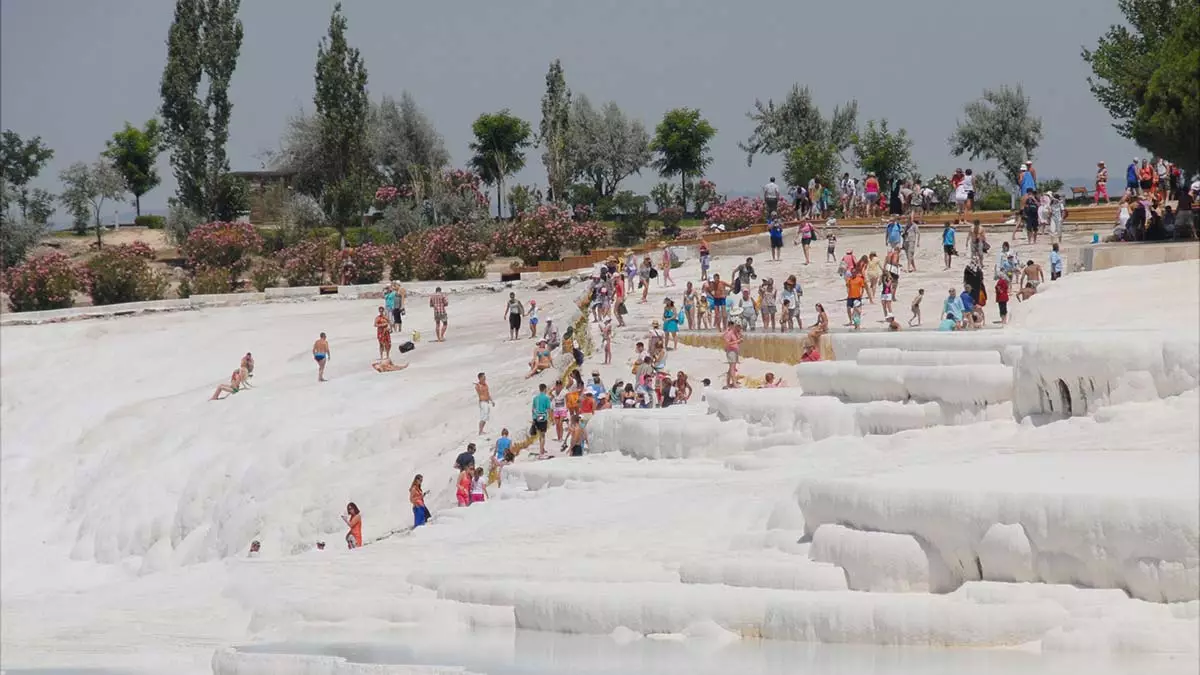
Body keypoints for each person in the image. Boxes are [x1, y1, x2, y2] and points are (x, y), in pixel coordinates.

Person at [531, 383, 552, 456]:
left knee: (540, 434)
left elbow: (533, 409)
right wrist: (551, 418)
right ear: (545, 389)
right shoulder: (546, 398)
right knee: (543, 435)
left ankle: (542, 448)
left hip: (536, 417)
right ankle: (541, 451)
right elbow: (549, 409)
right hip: (543, 417)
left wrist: (533, 418)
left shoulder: (535, 398)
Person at [722, 321, 742, 389]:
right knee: (732, 368)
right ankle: (734, 383)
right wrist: (737, 341)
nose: (740, 329)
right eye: (738, 327)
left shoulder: (735, 333)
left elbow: (736, 342)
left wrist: (739, 336)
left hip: (735, 351)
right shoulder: (729, 333)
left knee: (732, 368)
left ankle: (728, 383)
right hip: (731, 352)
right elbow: (727, 343)